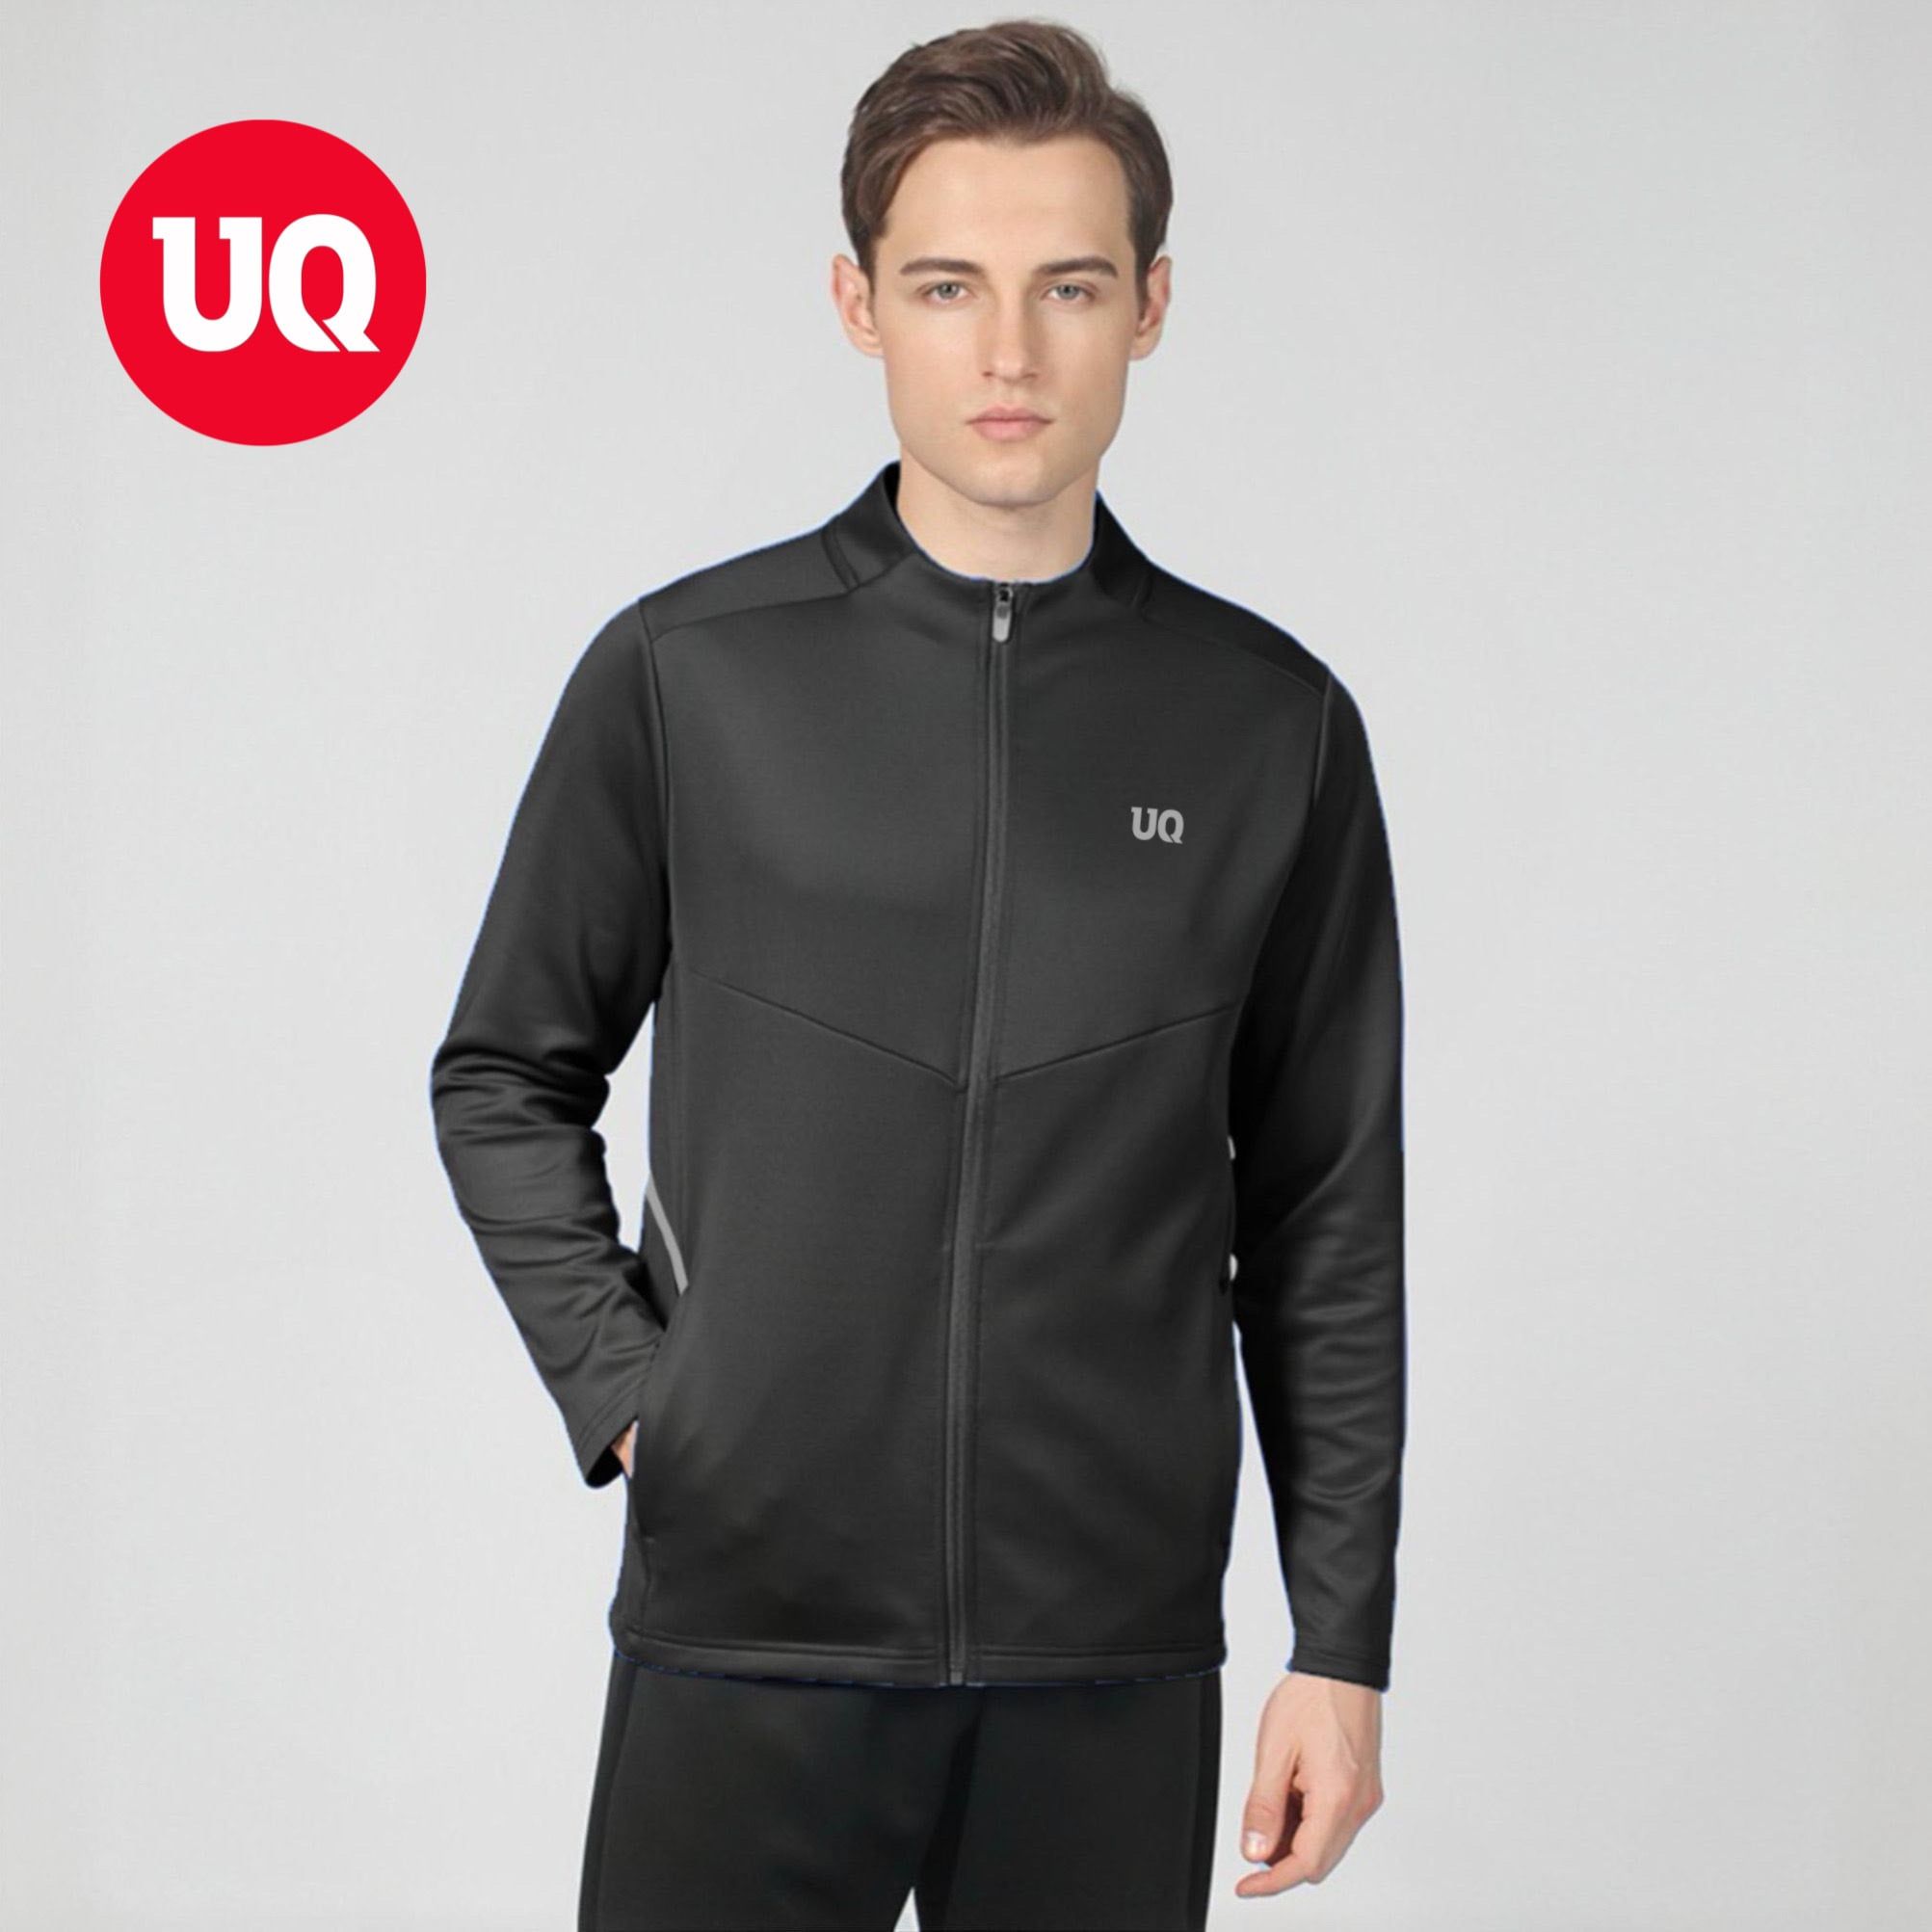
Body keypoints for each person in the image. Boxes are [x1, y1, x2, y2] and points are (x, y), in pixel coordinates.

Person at [429, 19, 1406, 1929]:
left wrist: (1338, 1640)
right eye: (948, 285)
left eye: (1070, 286)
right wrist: (641, 1394)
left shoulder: (1266, 723)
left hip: (1108, 1658)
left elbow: (1325, 1211)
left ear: (1150, 307)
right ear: (858, 304)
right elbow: (504, 1069)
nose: (1009, 350)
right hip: (747, 1629)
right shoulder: (691, 674)